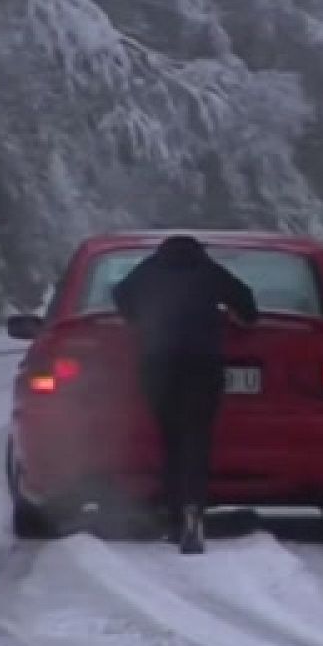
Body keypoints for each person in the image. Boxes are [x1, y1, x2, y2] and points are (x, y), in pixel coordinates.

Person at [111, 235, 259, 554]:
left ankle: (174, 515)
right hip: (202, 365)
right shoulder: (208, 271)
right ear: (198, 251)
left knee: (170, 437)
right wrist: (230, 316)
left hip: (158, 364)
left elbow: (120, 295)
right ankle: (194, 508)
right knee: (197, 436)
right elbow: (248, 307)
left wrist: (142, 318)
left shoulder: (148, 270)